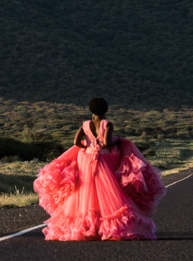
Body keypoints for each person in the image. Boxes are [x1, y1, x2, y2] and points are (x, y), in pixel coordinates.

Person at [33, 97, 167, 240]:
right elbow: (108, 142)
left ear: (91, 110)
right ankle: (109, 227)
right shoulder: (107, 124)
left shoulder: (85, 125)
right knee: (108, 189)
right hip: (104, 158)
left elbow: (76, 142)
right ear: (106, 110)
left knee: (85, 191)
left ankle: (85, 226)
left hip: (85, 158)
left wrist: (87, 147)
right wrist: (119, 140)